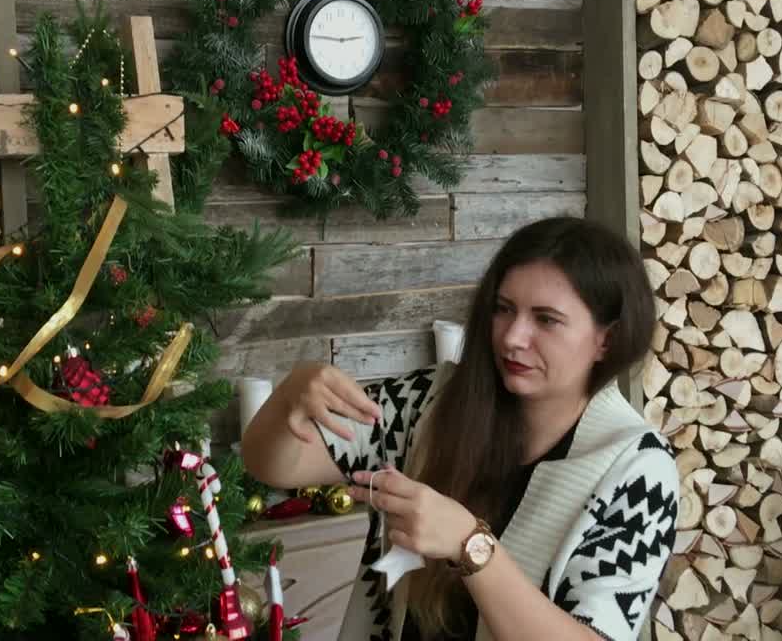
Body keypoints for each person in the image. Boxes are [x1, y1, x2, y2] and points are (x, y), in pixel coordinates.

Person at [241, 216, 680, 641]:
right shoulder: (430, 399)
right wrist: (290, 396)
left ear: (608, 338)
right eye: (504, 310)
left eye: (546, 319)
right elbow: (276, 466)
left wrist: (471, 545)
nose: (512, 337)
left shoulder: (639, 472)